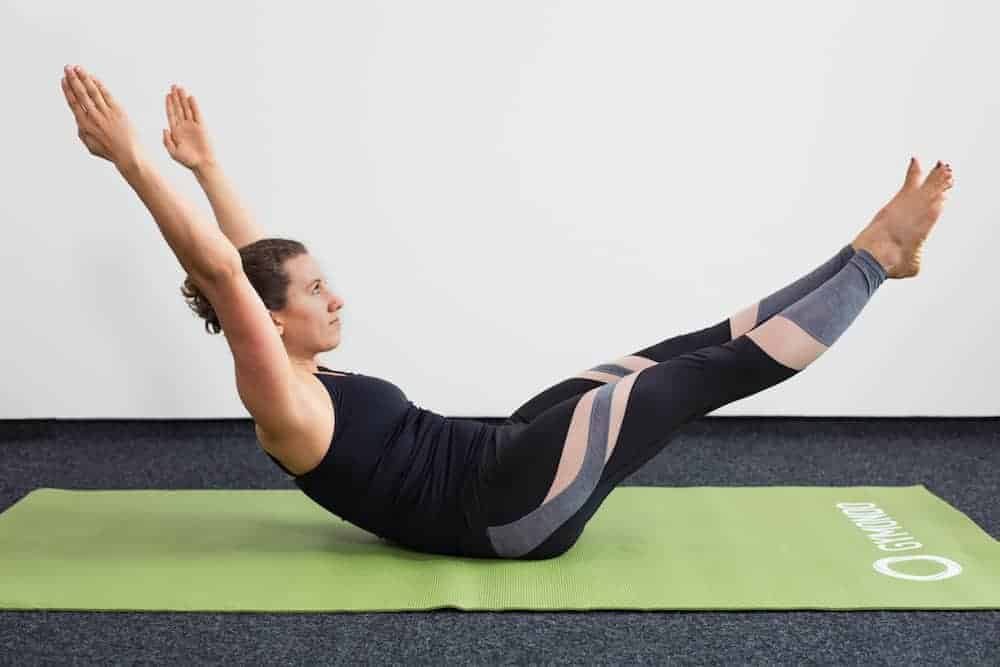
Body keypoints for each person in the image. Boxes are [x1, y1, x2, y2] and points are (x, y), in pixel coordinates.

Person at [61, 65, 955, 560]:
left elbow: (251, 263)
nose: (336, 297)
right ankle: (875, 262)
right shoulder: (279, 397)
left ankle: (867, 248)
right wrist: (134, 160)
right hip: (504, 513)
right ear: (278, 323)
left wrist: (208, 167)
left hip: (499, 452)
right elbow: (227, 275)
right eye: (318, 293)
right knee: (693, 382)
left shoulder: (295, 358)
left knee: (672, 352)